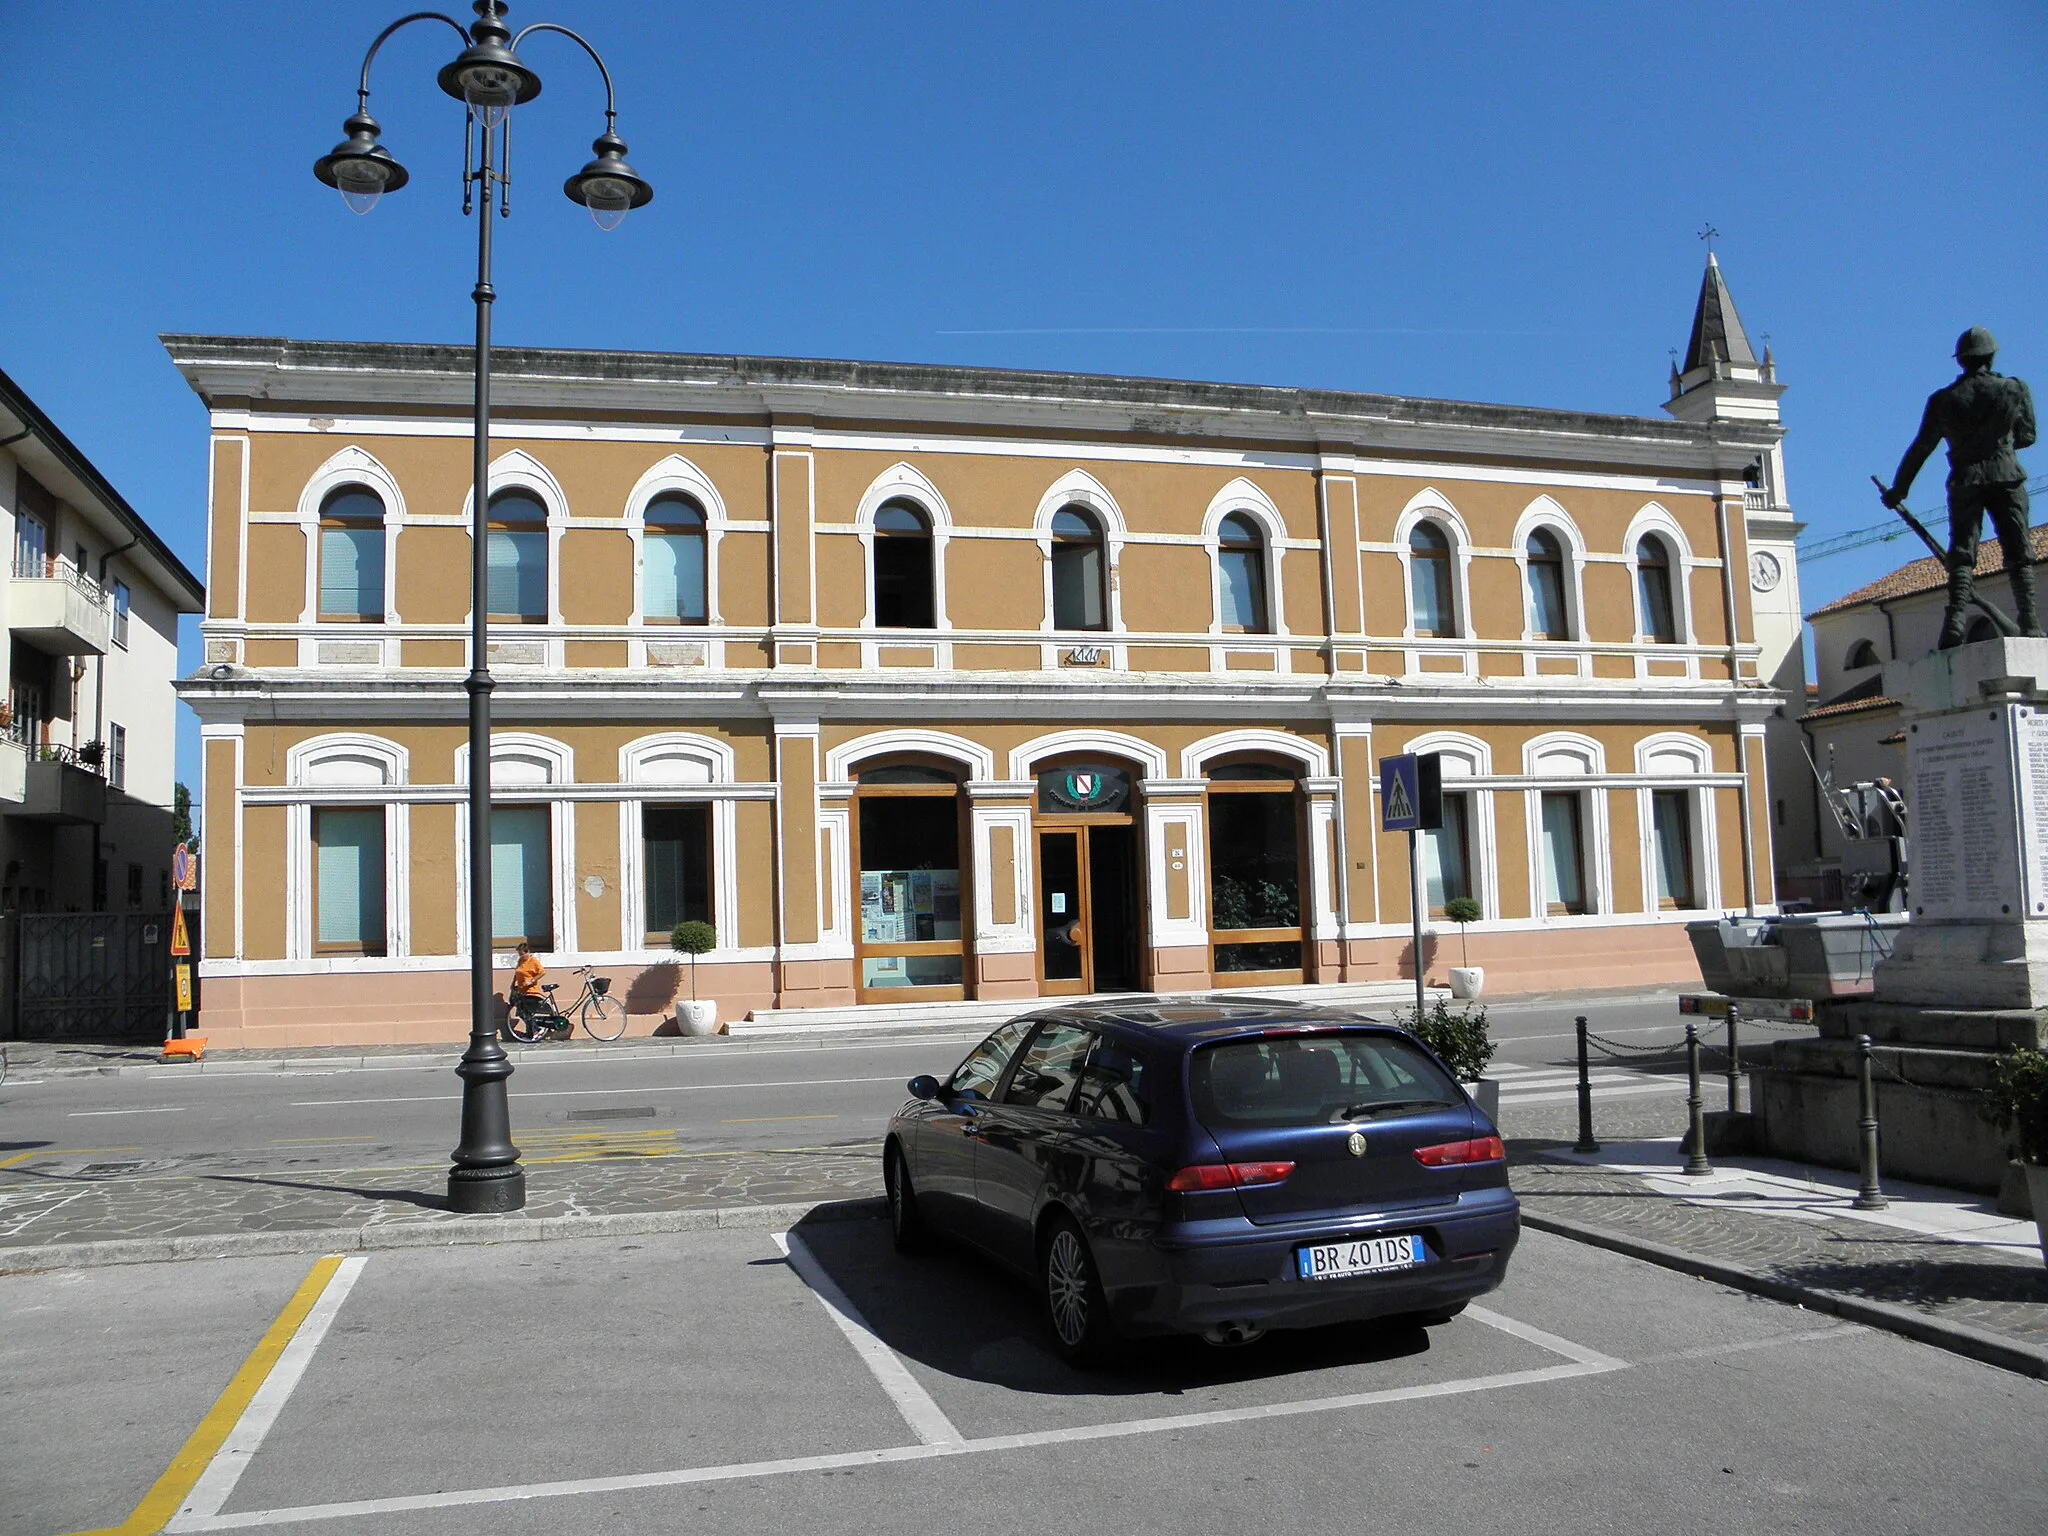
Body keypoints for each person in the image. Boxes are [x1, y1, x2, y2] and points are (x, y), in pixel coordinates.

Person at [1881, 326, 2039, 646]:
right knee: (2018, 551)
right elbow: (2028, 436)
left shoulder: (1943, 400)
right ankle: (2030, 620)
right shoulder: (2014, 389)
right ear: (1991, 356)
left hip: (1965, 479)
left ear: (1960, 361)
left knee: (1962, 554)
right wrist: (2000, 444)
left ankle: (1955, 622)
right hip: (2006, 475)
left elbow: (1922, 447)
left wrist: (1900, 489)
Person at [508, 941, 564, 1038]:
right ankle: (532, 1032)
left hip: (531, 991)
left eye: (522, 954)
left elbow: (542, 972)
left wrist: (532, 980)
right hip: (521, 990)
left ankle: (536, 1030)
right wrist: (513, 983)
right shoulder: (520, 961)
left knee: (528, 1013)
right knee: (522, 1013)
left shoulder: (533, 961)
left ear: (527, 952)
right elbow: (516, 972)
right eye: (519, 954)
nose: (521, 956)